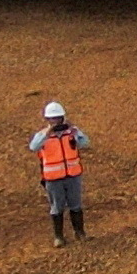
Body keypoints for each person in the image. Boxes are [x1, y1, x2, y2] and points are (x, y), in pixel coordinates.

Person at [29, 101, 90, 247]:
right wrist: (47, 133)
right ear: (47, 120)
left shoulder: (71, 132)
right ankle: (58, 237)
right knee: (57, 207)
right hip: (53, 178)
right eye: (52, 119)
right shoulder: (43, 136)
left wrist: (76, 132)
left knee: (76, 205)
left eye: (57, 118)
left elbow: (85, 143)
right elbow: (33, 147)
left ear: (63, 118)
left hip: (73, 175)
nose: (55, 121)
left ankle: (80, 233)